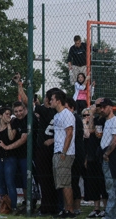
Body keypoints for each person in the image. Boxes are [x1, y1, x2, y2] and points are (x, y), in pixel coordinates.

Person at [97, 97, 116, 219]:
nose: (101, 109)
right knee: (113, 187)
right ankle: (115, 214)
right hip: (107, 154)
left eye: (104, 107)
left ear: (110, 107)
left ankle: (111, 215)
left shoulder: (115, 120)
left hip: (111, 157)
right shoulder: (107, 121)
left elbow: (115, 140)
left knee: (112, 187)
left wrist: (106, 154)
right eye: (100, 107)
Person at [50, 90, 76, 218]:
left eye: (52, 99)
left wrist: (64, 152)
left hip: (64, 153)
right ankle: (66, 209)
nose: (50, 101)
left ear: (58, 101)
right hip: (57, 151)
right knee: (61, 183)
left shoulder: (67, 114)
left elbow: (69, 134)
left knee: (65, 183)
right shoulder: (57, 116)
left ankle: (70, 210)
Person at [0, 106, 18, 210]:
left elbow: (11, 137)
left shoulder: (12, 125)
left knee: (10, 182)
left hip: (9, 157)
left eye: (9, 114)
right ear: (0, 116)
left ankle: (13, 206)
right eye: (6, 114)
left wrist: (9, 124)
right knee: (0, 183)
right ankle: (2, 206)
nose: (8, 116)